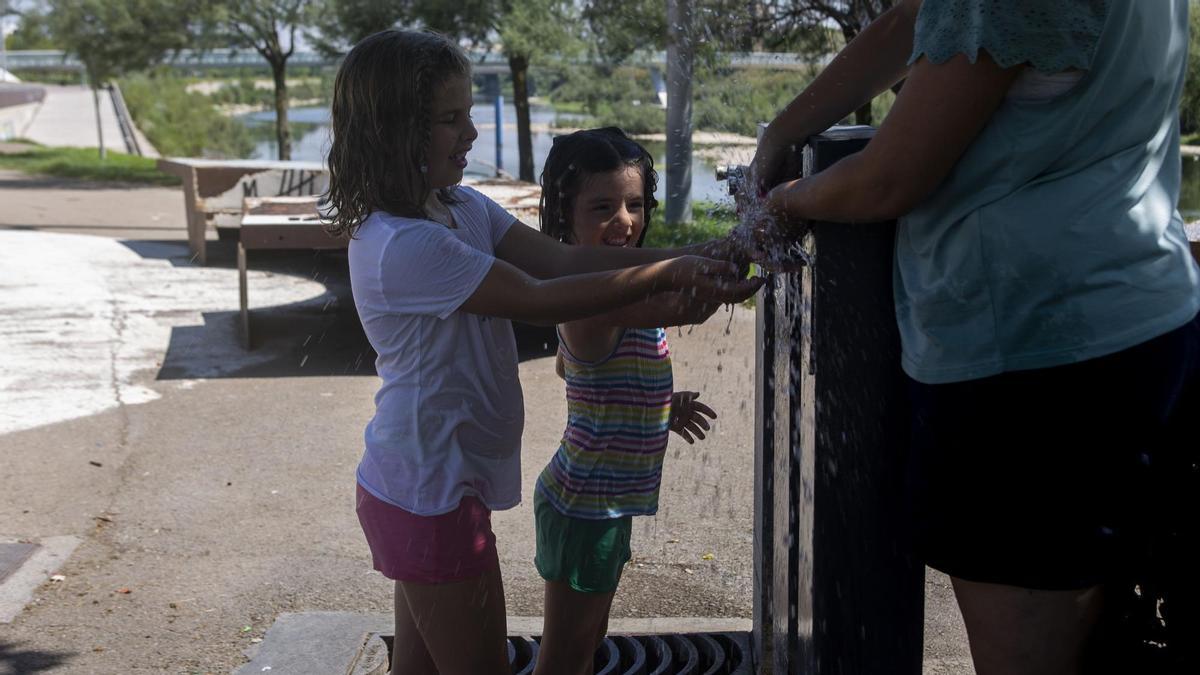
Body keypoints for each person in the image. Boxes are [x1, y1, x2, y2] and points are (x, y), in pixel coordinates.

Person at [745, 1, 1200, 672]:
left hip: (1030, 353)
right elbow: (922, 18)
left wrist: (781, 203)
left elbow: (890, 176)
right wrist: (786, 129)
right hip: (1141, 315)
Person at [322, 30, 762, 675]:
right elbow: (538, 295)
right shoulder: (403, 245)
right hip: (427, 494)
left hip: (429, 486)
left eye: (468, 112)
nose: (470, 133)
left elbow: (563, 259)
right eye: (449, 119)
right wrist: (670, 282)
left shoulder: (460, 207)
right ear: (394, 130)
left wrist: (702, 256)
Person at [528, 128, 722, 675]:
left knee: (588, 642)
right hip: (584, 503)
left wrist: (655, 405)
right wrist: (744, 247)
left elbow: (573, 370)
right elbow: (689, 305)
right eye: (603, 206)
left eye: (635, 205)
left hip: (601, 502)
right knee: (565, 655)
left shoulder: (606, 295)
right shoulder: (597, 299)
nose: (626, 221)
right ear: (566, 215)